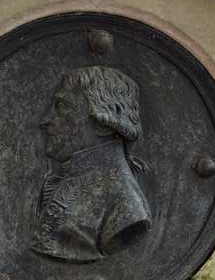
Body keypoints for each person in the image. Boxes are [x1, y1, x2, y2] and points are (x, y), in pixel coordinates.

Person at [31, 66, 152, 262]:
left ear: (102, 123)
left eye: (61, 107)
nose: (46, 120)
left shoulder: (125, 205)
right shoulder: (63, 181)